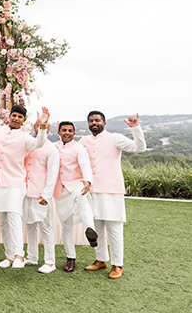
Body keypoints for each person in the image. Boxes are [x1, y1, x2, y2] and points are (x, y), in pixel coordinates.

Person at [80, 111, 146, 279]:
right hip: (92, 191)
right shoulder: (84, 141)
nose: (94, 123)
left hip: (112, 190)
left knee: (115, 230)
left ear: (104, 122)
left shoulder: (115, 138)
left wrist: (135, 128)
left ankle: (118, 265)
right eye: (91, 121)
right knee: (98, 229)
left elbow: (140, 148)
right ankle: (101, 260)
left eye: (97, 120)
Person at [0, 103, 49, 269]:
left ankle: (19, 255)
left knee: (14, 217)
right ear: (9, 116)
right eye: (14, 115)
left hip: (15, 183)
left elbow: (39, 143)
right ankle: (9, 256)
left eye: (20, 117)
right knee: (2, 220)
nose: (16, 118)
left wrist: (42, 125)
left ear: (23, 121)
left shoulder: (25, 138)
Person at [53, 121, 96, 273]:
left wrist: (88, 181)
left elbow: (85, 165)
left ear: (74, 133)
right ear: (59, 132)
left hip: (76, 184)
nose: (67, 133)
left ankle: (90, 230)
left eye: (70, 130)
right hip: (60, 190)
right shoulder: (53, 147)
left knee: (82, 197)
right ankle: (70, 258)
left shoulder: (79, 148)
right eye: (64, 130)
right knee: (66, 225)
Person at [22, 123, 59, 274]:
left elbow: (52, 174)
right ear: (33, 126)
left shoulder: (51, 149)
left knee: (46, 227)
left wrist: (46, 194)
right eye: (37, 125)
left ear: (48, 129)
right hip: (25, 191)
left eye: (43, 126)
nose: (40, 128)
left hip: (41, 193)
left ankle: (50, 262)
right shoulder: (28, 144)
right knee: (29, 225)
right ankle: (32, 257)